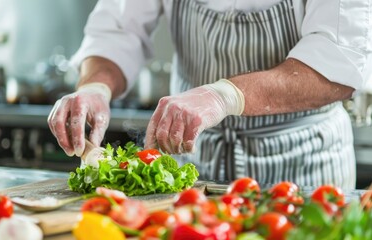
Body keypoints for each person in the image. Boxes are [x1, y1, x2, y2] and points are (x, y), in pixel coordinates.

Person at [48, 0, 372, 189]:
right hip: (191, 164)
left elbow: (337, 62)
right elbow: (118, 29)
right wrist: (95, 87)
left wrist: (223, 96)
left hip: (304, 168)